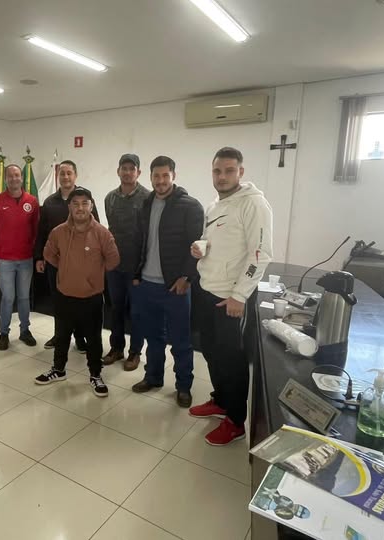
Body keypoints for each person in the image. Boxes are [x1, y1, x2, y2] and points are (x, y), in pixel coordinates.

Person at [189, 147, 272, 446]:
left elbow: (260, 254)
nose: (221, 176)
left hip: (231, 298)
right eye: (217, 171)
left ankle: (236, 421)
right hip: (208, 291)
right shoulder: (215, 205)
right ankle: (222, 401)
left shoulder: (254, 204)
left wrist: (239, 296)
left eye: (228, 171)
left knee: (233, 359)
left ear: (240, 172)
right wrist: (201, 248)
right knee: (212, 352)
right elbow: (219, 243)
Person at [131, 156, 204, 408]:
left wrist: (186, 277)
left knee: (181, 341)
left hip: (175, 286)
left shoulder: (190, 206)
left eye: (165, 175)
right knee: (153, 338)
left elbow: (198, 246)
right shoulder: (145, 204)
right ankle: (153, 377)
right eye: (156, 176)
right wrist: (136, 275)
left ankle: (183, 387)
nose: (160, 181)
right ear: (150, 177)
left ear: (173, 176)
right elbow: (140, 242)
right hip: (147, 284)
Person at [34, 187, 119, 397]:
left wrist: (92, 274)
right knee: (62, 335)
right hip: (64, 294)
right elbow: (49, 254)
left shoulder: (102, 233)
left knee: (94, 339)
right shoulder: (58, 232)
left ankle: (95, 375)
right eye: (75, 204)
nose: (80, 208)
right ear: (69, 207)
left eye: (84, 203)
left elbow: (113, 260)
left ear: (91, 206)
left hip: (92, 297)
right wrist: (67, 269)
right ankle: (58, 369)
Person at [35, 160, 99, 352]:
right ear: (58, 176)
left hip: (80, 262)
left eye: (69, 173)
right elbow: (42, 232)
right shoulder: (49, 202)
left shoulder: (85, 199)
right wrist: (39, 257)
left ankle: (80, 337)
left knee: (78, 301)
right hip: (55, 261)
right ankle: (59, 335)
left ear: (75, 175)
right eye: (62, 173)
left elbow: (96, 228)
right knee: (59, 301)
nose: (65, 177)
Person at [102, 153, 150, 371]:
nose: (128, 172)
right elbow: (110, 230)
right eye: (124, 168)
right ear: (118, 171)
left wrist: (142, 267)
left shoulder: (148, 198)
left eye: (132, 168)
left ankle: (135, 352)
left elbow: (148, 235)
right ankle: (117, 348)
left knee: (137, 312)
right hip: (114, 266)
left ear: (139, 172)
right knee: (116, 309)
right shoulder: (110, 198)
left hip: (138, 267)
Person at [0, 164, 40, 350]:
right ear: (6, 179)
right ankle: (4, 333)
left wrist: (35, 254)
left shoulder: (32, 201)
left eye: (17, 175)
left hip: (26, 259)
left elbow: (36, 231)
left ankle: (25, 331)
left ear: (21, 177)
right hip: (4, 260)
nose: (14, 178)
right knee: (8, 298)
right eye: (10, 175)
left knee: (24, 297)